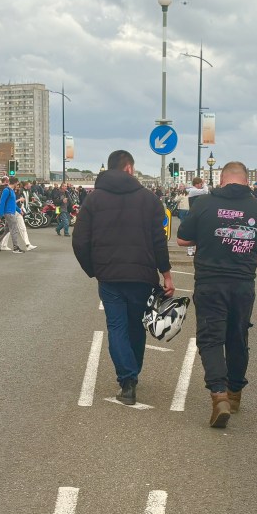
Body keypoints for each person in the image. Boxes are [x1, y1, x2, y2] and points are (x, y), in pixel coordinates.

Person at [177, 160, 257, 427]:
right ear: (246, 180)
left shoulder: (204, 204)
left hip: (210, 282)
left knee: (210, 339)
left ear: (221, 180)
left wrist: (211, 236)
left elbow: (182, 239)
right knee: (237, 336)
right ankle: (235, 394)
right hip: (242, 284)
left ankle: (218, 394)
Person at [72, 150, 174, 406]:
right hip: (142, 276)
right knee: (136, 325)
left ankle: (127, 380)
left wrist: (94, 269)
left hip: (109, 277)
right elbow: (159, 240)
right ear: (129, 168)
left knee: (116, 326)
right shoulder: (149, 199)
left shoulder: (93, 200)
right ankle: (133, 372)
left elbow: (79, 240)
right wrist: (167, 274)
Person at [0, 176, 31, 252]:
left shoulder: (11, 191)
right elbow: (2, 202)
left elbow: (13, 204)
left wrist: (19, 210)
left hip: (11, 212)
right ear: (15, 183)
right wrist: (0, 214)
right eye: (17, 183)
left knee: (7, 230)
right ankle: (16, 247)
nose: (17, 184)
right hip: (9, 213)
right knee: (14, 230)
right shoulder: (6, 190)